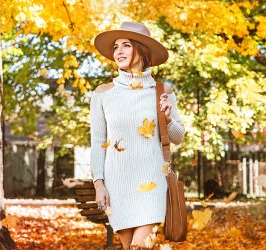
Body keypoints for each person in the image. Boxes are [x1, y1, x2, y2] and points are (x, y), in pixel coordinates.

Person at [90, 21, 185, 249]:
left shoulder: (162, 91)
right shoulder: (103, 94)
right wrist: (99, 185)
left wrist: (168, 118)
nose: (119, 52)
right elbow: (97, 143)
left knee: (141, 247)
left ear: (141, 50)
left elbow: (178, 137)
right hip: (117, 185)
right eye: (115, 47)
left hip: (151, 182)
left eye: (126, 45)